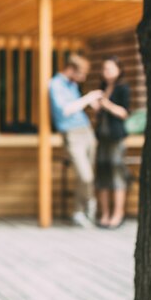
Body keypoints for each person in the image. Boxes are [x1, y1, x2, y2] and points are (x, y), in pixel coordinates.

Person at [49, 54, 103, 227]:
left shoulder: (72, 86)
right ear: (71, 69)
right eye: (81, 74)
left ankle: (78, 212)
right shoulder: (55, 84)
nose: (83, 78)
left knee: (89, 175)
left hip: (87, 131)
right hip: (72, 134)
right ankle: (90, 205)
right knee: (85, 175)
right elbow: (65, 110)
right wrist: (87, 98)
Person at [93, 56, 130, 229]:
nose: (106, 72)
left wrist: (106, 105)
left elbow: (124, 113)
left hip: (116, 138)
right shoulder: (102, 88)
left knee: (116, 175)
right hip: (102, 137)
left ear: (119, 69)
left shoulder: (123, 89)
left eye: (110, 68)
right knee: (102, 175)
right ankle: (105, 214)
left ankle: (118, 214)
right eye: (104, 68)